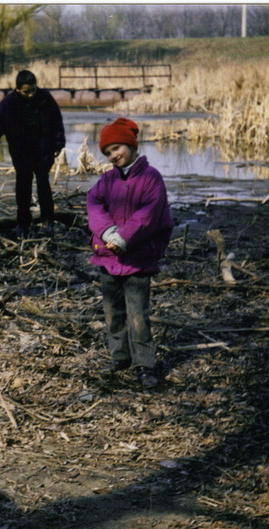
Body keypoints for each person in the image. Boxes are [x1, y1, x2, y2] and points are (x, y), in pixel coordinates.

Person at [86, 118, 174, 387]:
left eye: (116, 148)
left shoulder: (151, 178)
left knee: (138, 315)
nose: (113, 156)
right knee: (113, 313)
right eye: (108, 153)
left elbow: (149, 215)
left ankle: (144, 364)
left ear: (130, 144)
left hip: (137, 258)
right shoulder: (107, 180)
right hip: (108, 257)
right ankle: (120, 357)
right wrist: (107, 233)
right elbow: (93, 203)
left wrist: (124, 238)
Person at [0, 69, 65, 238]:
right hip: (21, 151)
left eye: (33, 90)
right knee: (23, 186)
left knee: (43, 184)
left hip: (43, 150)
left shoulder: (45, 98)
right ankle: (23, 223)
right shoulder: (9, 103)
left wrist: (59, 144)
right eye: (27, 91)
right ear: (17, 89)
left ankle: (48, 220)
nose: (31, 94)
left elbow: (57, 121)